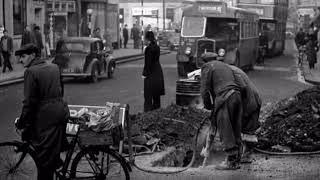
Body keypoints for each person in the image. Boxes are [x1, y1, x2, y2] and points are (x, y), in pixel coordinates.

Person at [14, 43, 70, 180]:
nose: (21, 60)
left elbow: (29, 103)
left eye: (23, 56)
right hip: (61, 111)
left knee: (43, 158)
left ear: (33, 55)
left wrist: (21, 122)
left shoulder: (31, 72)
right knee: (52, 149)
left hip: (46, 117)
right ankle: (56, 163)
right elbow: (61, 91)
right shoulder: (54, 67)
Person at [200, 52, 243, 170]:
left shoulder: (207, 67)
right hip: (237, 96)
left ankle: (231, 161)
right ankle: (237, 159)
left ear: (204, 61)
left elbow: (204, 90)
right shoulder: (225, 66)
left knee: (225, 128)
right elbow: (240, 84)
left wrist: (208, 107)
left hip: (225, 97)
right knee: (235, 128)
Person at [229, 65, 261, 163]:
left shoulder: (231, 72)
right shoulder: (232, 69)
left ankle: (241, 156)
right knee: (248, 130)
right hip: (253, 99)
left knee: (246, 130)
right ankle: (245, 155)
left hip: (249, 102)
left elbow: (242, 87)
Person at [142, 31, 165, 112]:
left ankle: (147, 115)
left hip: (151, 75)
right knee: (156, 97)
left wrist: (144, 74)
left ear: (147, 39)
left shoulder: (148, 49)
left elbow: (148, 63)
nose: (143, 40)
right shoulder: (157, 47)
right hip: (158, 73)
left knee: (148, 97)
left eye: (144, 38)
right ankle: (157, 114)